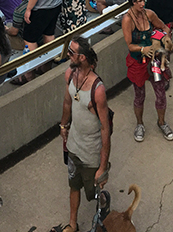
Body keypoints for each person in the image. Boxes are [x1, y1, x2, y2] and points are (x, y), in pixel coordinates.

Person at [60, 36, 110, 232]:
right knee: (73, 186)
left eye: (71, 53)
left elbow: (105, 129)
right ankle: (73, 223)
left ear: (81, 57)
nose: (67, 55)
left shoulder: (98, 90)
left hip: (91, 152)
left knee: (93, 193)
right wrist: (63, 126)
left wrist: (103, 166)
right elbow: (67, 102)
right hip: (73, 146)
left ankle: (104, 202)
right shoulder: (69, 75)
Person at [119, 0, 173, 143]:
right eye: (139, 1)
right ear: (132, 2)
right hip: (138, 61)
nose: (142, 4)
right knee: (139, 95)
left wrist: (163, 40)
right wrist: (144, 48)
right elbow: (129, 45)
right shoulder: (127, 20)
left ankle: (162, 122)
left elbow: (164, 27)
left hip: (154, 60)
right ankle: (140, 124)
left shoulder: (150, 14)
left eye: (143, 0)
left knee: (160, 92)